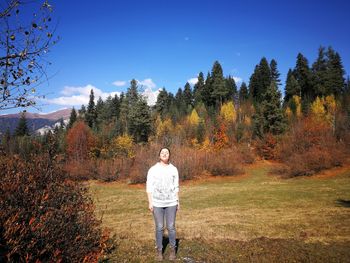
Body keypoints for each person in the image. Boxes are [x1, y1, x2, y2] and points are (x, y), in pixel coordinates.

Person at [146, 147, 179, 261]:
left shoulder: (174, 169)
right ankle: (159, 251)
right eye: (162, 152)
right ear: (159, 155)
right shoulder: (153, 169)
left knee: (171, 227)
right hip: (157, 203)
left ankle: (172, 250)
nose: (164, 154)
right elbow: (149, 186)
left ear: (169, 155)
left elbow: (176, 187)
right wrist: (150, 202)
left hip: (171, 203)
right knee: (159, 227)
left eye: (167, 152)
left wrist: (177, 201)